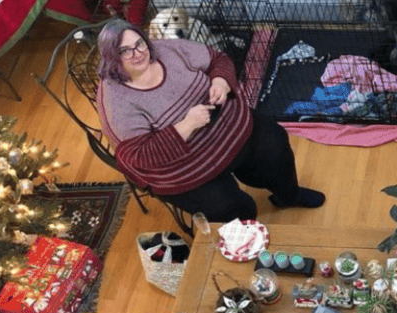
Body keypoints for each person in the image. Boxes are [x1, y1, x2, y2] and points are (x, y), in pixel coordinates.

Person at [96, 18, 324, 223]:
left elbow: (218, 59)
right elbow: (139, 156)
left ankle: (288, 196)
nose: (137, 53)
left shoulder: (169, 49)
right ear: (111, 57)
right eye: (124, 51)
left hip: (230, 128)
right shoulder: (116, 101)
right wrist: (186, 126)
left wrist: (220, 82)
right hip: (186, 170)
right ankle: (245, 238)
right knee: (234, 208)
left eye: (139, 43)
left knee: (276, 144)